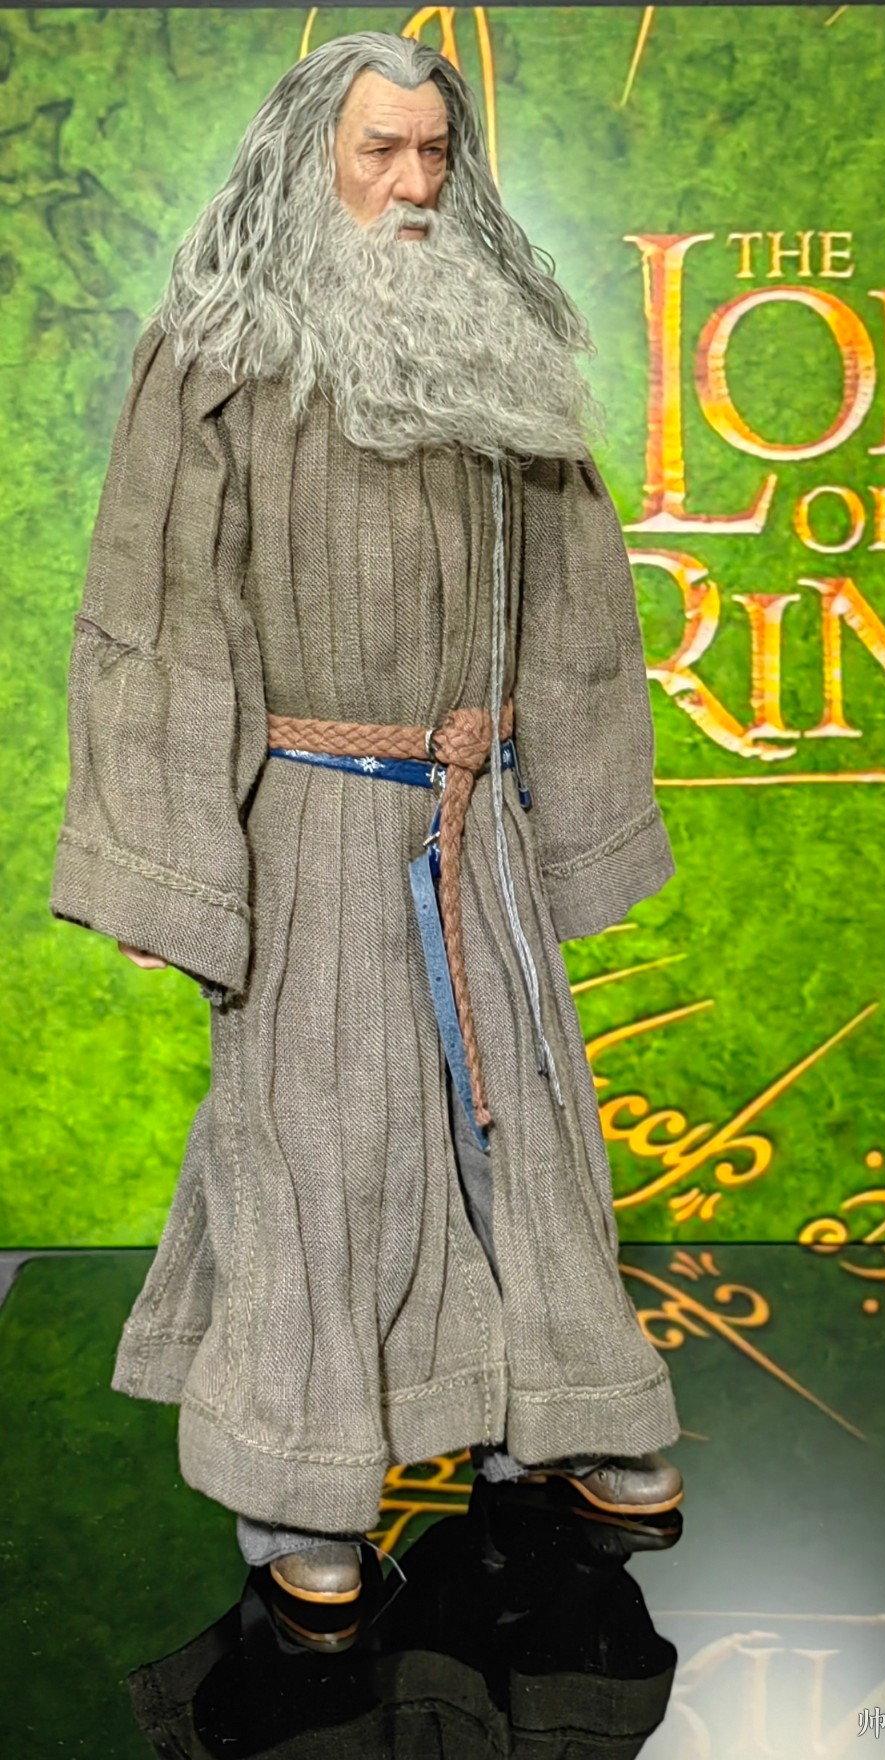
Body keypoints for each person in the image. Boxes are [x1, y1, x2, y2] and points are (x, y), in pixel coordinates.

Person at [51, 29, 682, 1607]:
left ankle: (554, 1411)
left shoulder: (499, 341)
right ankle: (301, 1481)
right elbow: (159, 619)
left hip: (478, 821)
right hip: (314, 819)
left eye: (434, 153)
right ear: (308, 160)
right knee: (319, 1143)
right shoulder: (216, 354)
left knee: (519, 1120)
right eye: (378, 151)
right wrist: (167, 867)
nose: (413, 183)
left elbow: (578, 602)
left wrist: (575, 822)